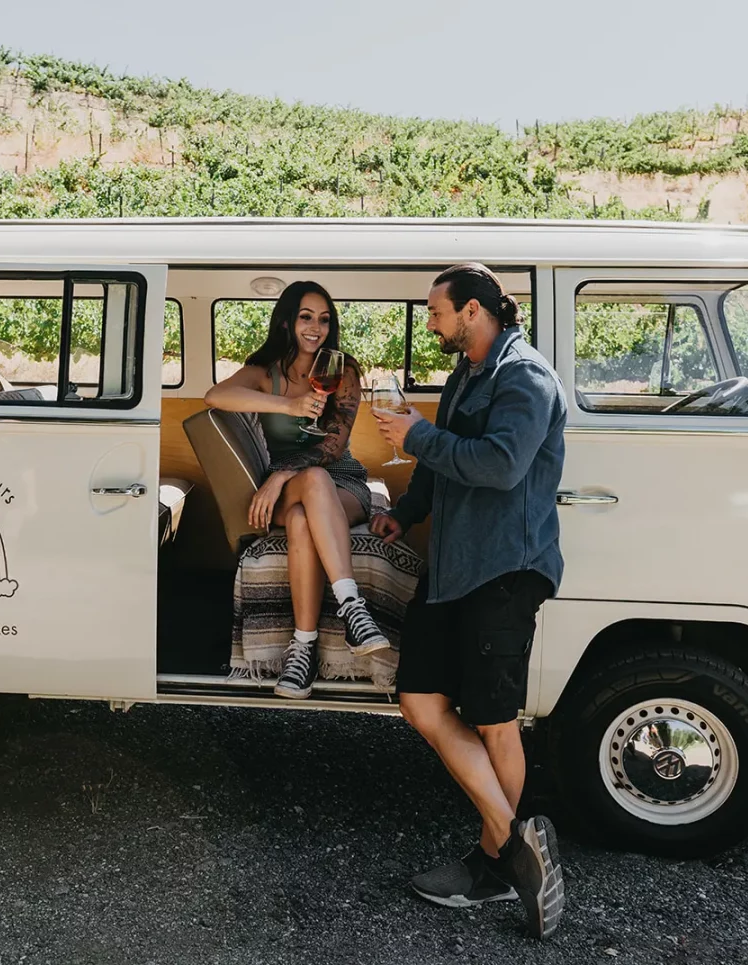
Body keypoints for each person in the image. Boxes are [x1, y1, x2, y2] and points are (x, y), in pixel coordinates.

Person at [371, 263, 567, 939]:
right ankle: (517, 845)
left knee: (493, 720)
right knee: (419, 700)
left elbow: (502, 464)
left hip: (504, 571)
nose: (430, 322)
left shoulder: (526, 377)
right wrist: (409, 506)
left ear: (475, 311)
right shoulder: (465, 375)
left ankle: (491, 866)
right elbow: (444, 464)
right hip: (453, 566)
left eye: (436, 311)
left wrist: (414, 435)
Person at [204, 281, 390, 699]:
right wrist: (286, 406)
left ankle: (302, 648)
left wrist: (279, 475)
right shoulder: (262, 371)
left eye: (324, 319)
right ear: (288, 322)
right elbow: (216, 395)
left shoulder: (343, 370)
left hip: (339, 480)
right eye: (306, 317)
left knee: (308, 511)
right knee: (306, 493)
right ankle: (353, 610)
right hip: (288, 485)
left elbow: (333, 445)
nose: (316, 327)